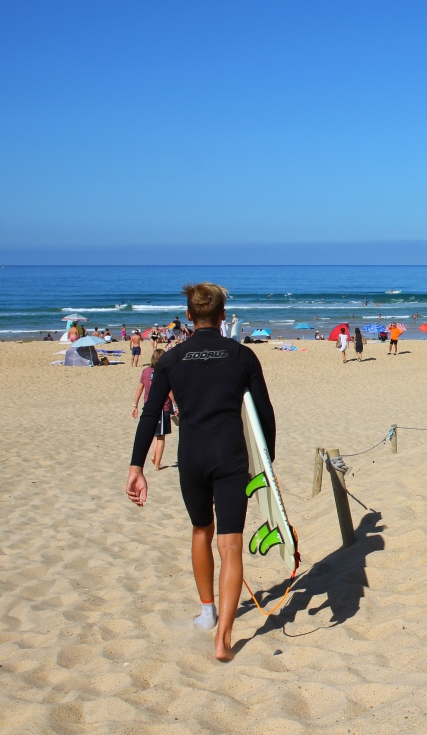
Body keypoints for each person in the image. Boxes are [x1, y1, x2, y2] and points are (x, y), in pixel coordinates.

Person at [125, 282, 276, 662]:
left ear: (189, 316)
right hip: (231, 457)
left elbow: (150, 414)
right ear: (223, 316)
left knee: (200, 530)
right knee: (230, 543)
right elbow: (264, 414)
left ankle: (207, 612)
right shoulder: (242, 356)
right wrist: (267, 465)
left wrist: (137, 466)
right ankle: (223, 638)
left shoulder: (171, 361)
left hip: (192, 457)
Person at [132, 348, 178, 471]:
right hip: (162, 407)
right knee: (161, 436)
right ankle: (157, 464)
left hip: (148, 407)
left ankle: (153, 455)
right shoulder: (164, 372)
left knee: (154, 432)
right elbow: (168, 392)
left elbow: (139, 389)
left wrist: (135, 405)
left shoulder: (146, 371)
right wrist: (177, 405)